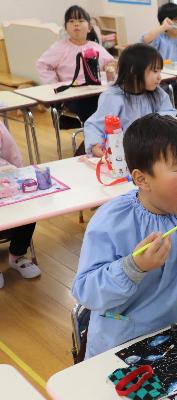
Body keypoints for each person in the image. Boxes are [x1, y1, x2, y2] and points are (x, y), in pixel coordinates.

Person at [72, 114, 177, 358]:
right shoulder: (114, 220)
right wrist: (134, 266)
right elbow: (86, 290)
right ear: (142, 179)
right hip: (126, 343)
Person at [84, 43, 176, 157]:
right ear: (133, 70)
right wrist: (95, 145)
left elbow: (169, 114)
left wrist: (156, 124)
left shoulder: (158, 94)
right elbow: (95, 125)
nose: (159, 77)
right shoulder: (113, 97)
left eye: (160, 71)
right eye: (155, 71)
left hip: (153, 151)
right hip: (122, 155)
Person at [36, 5, 115, 124]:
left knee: (113, 99)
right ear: (66, 27)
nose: (76, 24)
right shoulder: (60, 48)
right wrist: (55, 84)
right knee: (95, 106)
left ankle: (104, 136)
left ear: (89, 27)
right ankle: (95, 138)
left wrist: (111, 68)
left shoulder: (95, 47)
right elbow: (42, 65)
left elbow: (110, 63)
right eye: (71, 21)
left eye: (81, 21)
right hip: (72, 97)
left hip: (94, 92)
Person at [0, 122, 41, 289]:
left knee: (29, 207)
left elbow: (12, 153)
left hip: (5, 178)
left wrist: (18, 172)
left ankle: (17, 254)